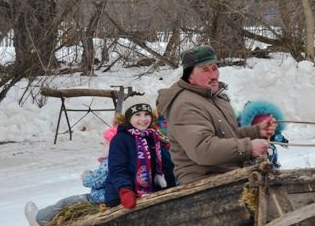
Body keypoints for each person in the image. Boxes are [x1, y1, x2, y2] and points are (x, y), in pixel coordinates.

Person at [156, 45, 277, 184]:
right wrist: (248, 147)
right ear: (189, 75)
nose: (213, 75)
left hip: (230, 174)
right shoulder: (185, 105)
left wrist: (256, 131)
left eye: (214, 68)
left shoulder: (215, 97)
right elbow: (203, 149)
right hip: (203, 183)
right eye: (205, 70)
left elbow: (226, 135)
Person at [24, 125, 117, 226]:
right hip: (108, 197)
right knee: (78, 206)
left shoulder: (111, 162)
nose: (103, 147)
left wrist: (87, 176)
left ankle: (38, 220)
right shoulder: (126, 158)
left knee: (67, 203)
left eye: (105, 143)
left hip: (102, 199)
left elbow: (96, 180)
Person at [104, 96, 176, 209]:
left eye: (146, 114)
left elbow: (165, 163)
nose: (143, 119)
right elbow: (117, 168)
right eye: (137, 115)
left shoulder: (152, 136)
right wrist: (125, 190)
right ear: (128, 117)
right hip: (122, 193)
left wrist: (172, 186)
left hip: (151, 190)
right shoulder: (120, 140)